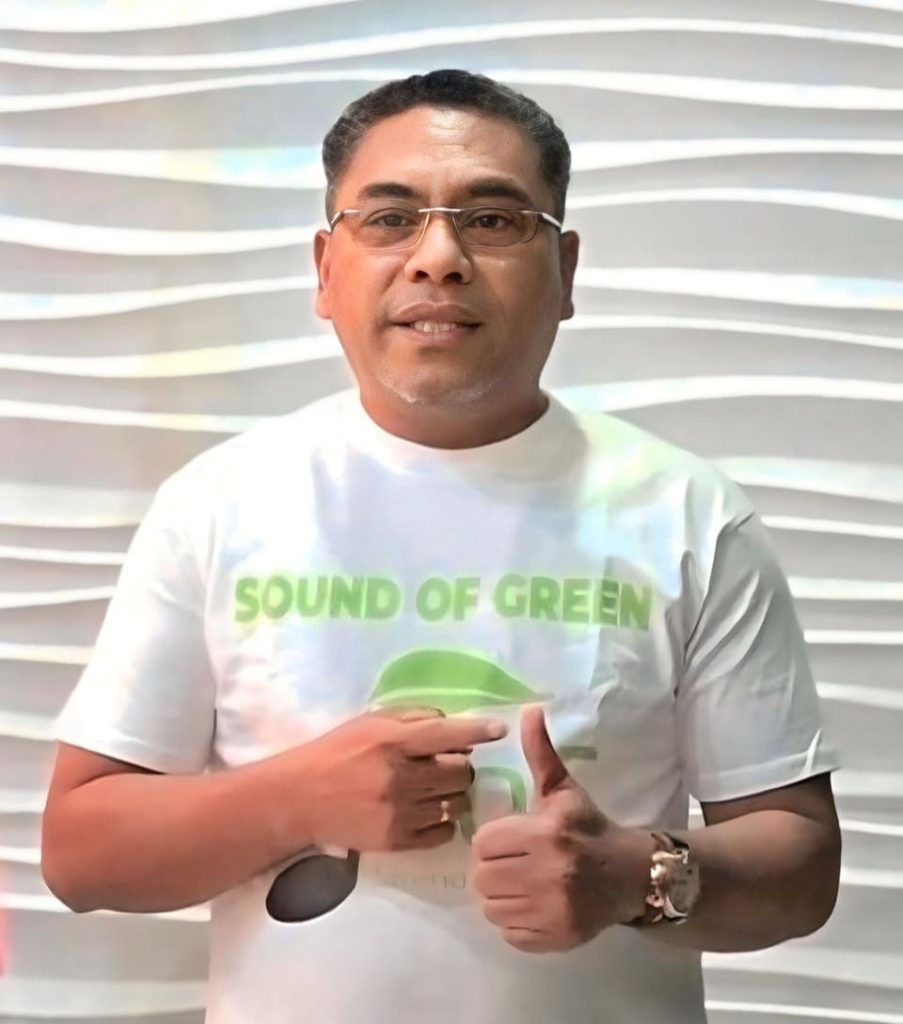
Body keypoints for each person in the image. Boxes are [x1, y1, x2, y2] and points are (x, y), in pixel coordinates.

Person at [41, 69, 842, 1023]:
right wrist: (298, 801)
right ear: (325, 270)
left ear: (565, 271)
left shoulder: (687, 514)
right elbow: (82, 853)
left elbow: (800, 864)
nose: (438, 258)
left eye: (492, 220)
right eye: (388, 219)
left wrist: (635, 875)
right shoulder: (217, 504)